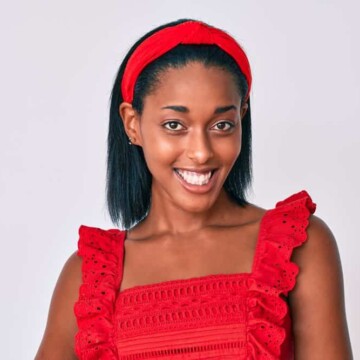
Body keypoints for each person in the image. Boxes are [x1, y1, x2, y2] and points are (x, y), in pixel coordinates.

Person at [35, 19, 353, 359]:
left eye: (221, 125)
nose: (201, 152)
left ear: (242, 117)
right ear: (133, 124)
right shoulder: (88, 278)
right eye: (175, 125)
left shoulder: (297, 247)